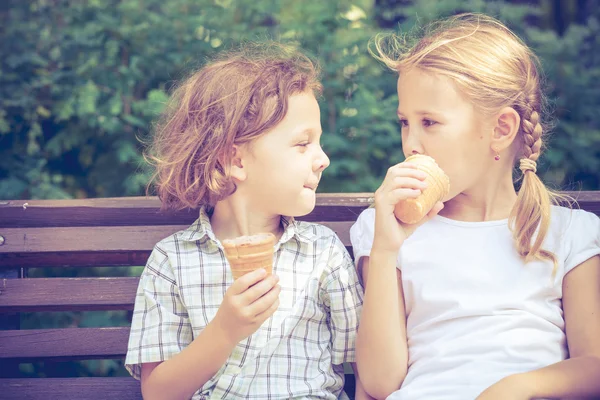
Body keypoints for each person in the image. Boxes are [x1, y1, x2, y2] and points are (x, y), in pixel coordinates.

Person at [350, 13, 600, 400]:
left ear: (501, 129)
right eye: (404, 122)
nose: (411, 143)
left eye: (429, 122)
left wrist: (518, 386)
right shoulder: (384, 231)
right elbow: (382, 384)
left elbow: (594, 366)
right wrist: (384, 251)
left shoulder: (569, 233)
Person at [125, 42, 365, 399]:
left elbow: (366, 368)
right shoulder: (172, 261)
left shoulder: (322, 252)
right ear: (234, 160)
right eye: (303, 144)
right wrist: (225, 330)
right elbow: (158, 393)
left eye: (319, 143)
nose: (323, 158)